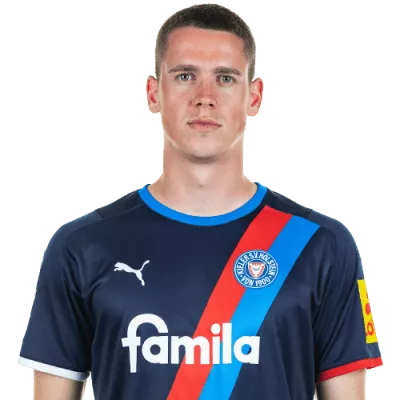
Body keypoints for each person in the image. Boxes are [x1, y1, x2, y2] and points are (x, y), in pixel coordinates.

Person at [17, 2, 383, 399]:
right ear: (153, 93)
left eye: (225, 78)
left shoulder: (321, 246)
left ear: (254, 97)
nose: (204, 98)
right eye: (185, 76)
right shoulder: (80, 248)